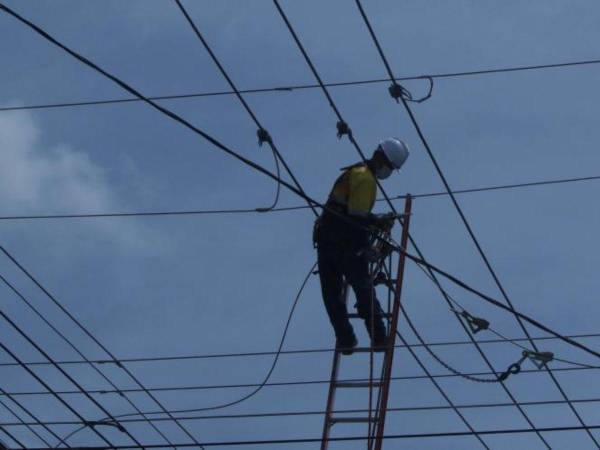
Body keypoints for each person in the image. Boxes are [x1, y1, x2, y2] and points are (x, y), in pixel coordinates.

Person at [314, 138, 409, 354]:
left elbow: (346, 210)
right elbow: (356, 216)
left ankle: (345, 339)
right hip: (348, 245)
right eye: (391, 167)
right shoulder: (366, 179)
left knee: (331, 294)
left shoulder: (354, 171)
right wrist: (378, 221)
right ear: (384, 160)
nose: (389, 172)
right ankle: (379, 337)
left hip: (326, 242)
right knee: (364, 291)